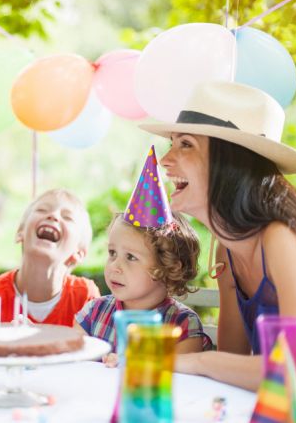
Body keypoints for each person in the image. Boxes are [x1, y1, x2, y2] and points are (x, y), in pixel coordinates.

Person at [139, 81, 296, 396]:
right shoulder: (226, 250)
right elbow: (234, 362)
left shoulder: (281, 240)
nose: (165, 159)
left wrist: (197, 361)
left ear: (230, 161)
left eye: (185, 144)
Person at [75, 146, 212, 367]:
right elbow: (72, 364)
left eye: (130, 257)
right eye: (112, 253)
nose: (115, 266)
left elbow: (184, 384)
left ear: (167, 266)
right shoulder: (94, 313)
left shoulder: (182, 325)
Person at [0, 189, 100, 326]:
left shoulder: (85, 298)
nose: (54, 215)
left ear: (79, 252)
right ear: (20, 232)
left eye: (67, 217)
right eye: (42, 210)